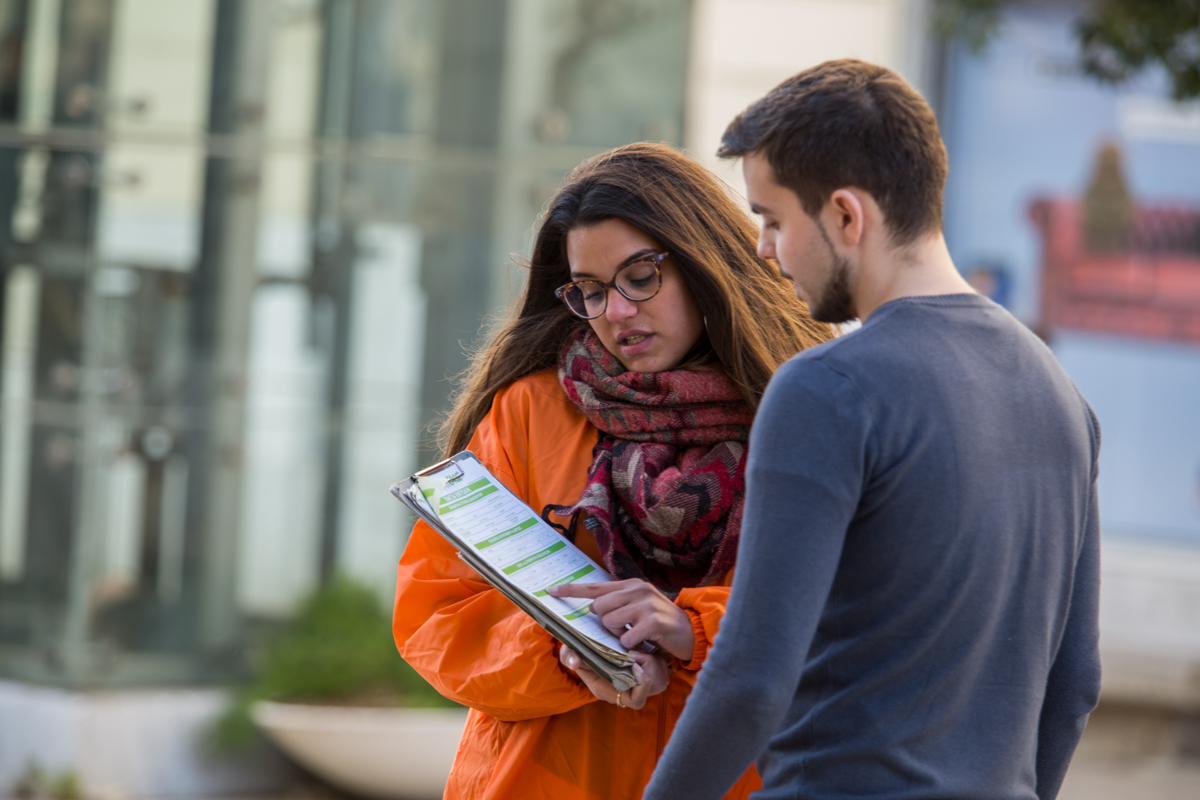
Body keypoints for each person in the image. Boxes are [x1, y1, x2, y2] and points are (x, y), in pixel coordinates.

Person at [643, 59, 1101, 800]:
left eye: (773, 219)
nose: (764, 249)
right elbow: (1075, 681)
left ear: (847, 216)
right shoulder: (1062, 396)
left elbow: (751, 680)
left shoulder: (828, 390)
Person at [392, 142, 832, 800]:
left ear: (702, 263)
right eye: (591, 292)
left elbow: (850, 617)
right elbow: (437, 616)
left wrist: (694, 631)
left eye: (641, 277)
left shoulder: (807, 414)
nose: (617, 314)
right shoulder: (530, 411)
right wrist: (566, 650)